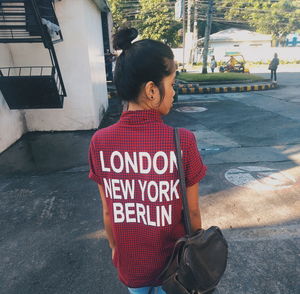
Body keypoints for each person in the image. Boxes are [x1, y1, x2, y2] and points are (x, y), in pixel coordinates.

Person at [88, 28, 207, 294]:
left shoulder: (100, 142)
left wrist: (115, 249)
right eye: (172, 83)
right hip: (174, 268)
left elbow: (108, 211)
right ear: (152, 90)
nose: (174, 93)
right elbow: (194, 213)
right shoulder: (182, 141)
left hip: (131, 266)